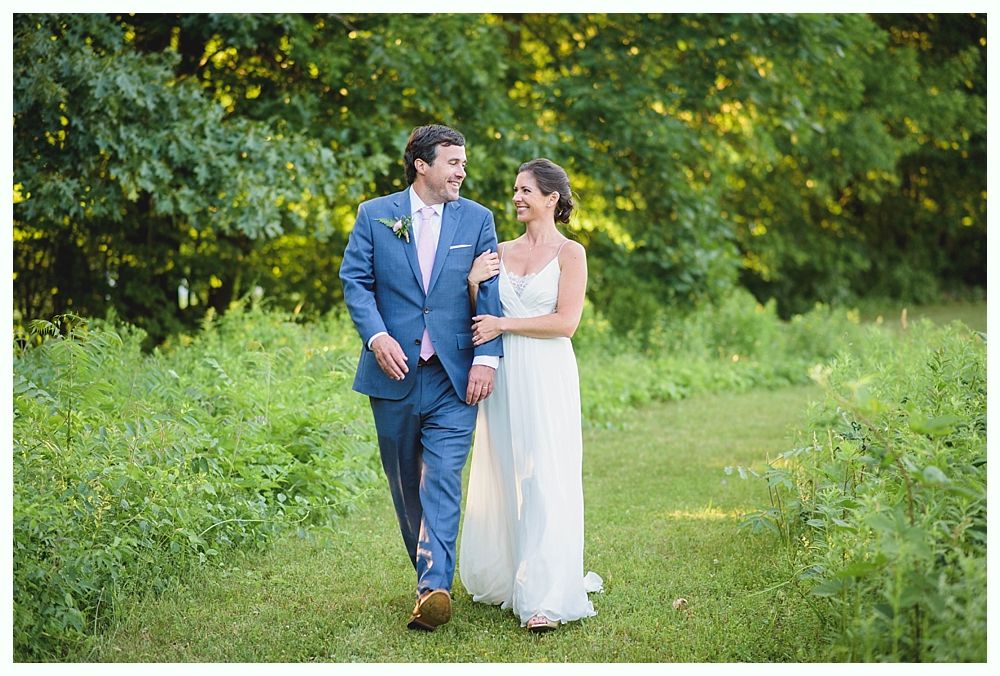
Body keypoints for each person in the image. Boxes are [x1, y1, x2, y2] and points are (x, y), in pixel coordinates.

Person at [339, 124, 503, 631]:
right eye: (453, 162)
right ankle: (429, 574)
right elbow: (356, 282)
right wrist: (377, 336)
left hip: (456, 375)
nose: (462, 171)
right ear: (422, 165)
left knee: (444, 478)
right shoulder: (374, 215)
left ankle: (433, 587)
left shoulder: (478, 219)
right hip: (394, 372)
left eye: (464, 163)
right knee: (405, 483)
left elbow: (491, 290)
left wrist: (487, 357)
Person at [459, 158, 602, 633]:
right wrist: (475, 283)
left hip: (547, 374)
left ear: (551, 199)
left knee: (544, 475)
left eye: (525, 191)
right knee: (504, 470)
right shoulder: (497, 250)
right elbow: (478, 318)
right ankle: (507, 576)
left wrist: (504, 323)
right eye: (515, 190)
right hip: (502, 375)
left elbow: (566, 323)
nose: (516, 197)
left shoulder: (570, 254)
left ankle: (543, 595)